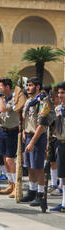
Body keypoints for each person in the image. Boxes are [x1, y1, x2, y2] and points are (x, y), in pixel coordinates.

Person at [21, 77, 54, 206]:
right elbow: (26, 119)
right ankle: (32, 190)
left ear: (38, 87)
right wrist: (24, 131)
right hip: (28, 135)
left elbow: (42, 124)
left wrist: (33, 141)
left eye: (30, 85)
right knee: (29, 166)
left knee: (38, 167)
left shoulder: (44, 101)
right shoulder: (30, 101)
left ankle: (41, 193)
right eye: (27, 85)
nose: (28, 88)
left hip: (38, 137)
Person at [0, 78, 20, 197]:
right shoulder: (3, 98)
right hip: (3, 130)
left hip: (12, 131)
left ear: (7, 87)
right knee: (5, 159)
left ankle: (17, 186)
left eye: (1, 86)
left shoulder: (14, 98)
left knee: (10, 159)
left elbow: (3, 109)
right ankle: (10, 184)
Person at [50, 81, 65, 211]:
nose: (60, 95)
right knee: (63, 174)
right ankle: (64, 202)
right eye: (59, 93)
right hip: (60, 144)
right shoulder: (58, 109)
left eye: (63, 93)